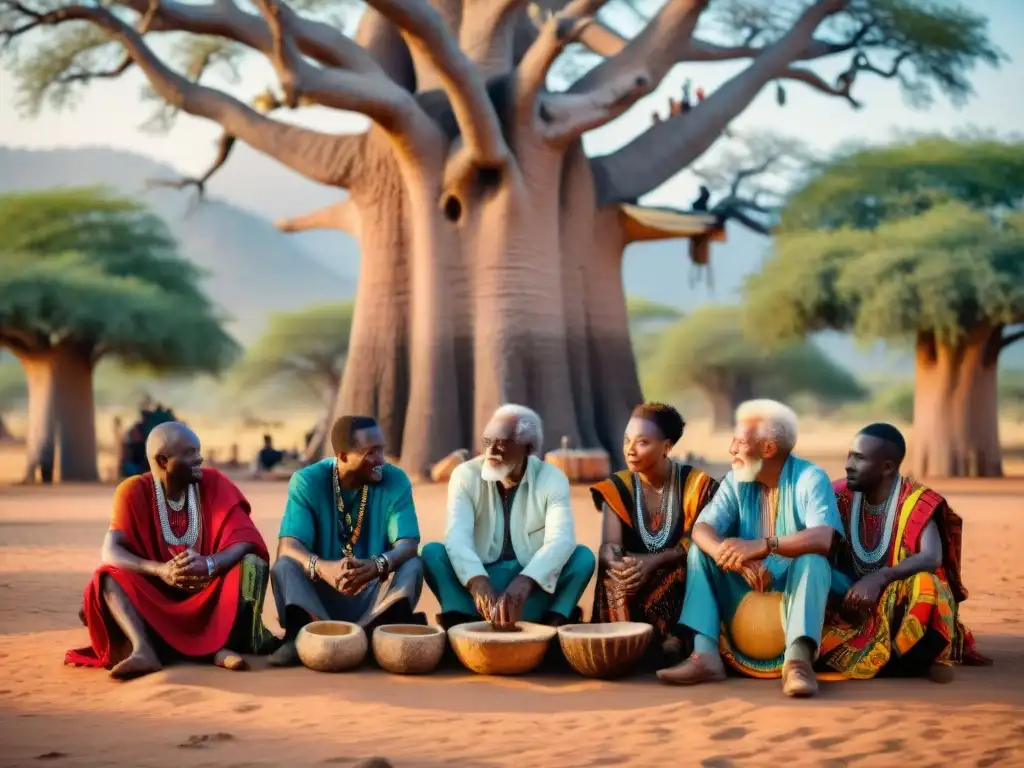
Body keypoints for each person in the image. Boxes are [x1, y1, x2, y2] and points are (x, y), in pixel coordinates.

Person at [658, 399, 842, 698]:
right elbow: (702, 530)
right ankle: (705, 656)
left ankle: (798, 662)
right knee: (700, 551)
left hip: (794, 592)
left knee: (813, 560)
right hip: (746, 590)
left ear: (768, 450)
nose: (731, 449)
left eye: (739, 442)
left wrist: (762, 546)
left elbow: (824, 538)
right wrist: (728, 555)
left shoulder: (810, 478)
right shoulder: (736, 480)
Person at [65, 422, 276, 680]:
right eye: (189, 453)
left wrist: (210, 564)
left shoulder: (214, 483)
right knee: (106, 577)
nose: (199, 458)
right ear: (163, 461)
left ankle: (223, 644)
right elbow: (110, 549)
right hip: (157, 593)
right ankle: (143, 650)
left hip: (209, 590)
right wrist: (160, 570)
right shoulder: (133, 491)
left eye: (198, 450)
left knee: (251, 562)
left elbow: (246, 539)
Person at [818, 423, 991, 678]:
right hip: (848, 605)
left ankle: (901, 656)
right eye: (849, 455)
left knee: (927, 586)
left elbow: (931, 557)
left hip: (894, 601)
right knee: (811, 569)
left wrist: (880, 577)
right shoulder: (838, 495)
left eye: (859, 458)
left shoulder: (915, 501)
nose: (848, 464)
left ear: (887, 467)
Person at [422, 404, 595, 630]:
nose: (492, 451)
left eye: (502, 443)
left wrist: (526, 582)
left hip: (532, 589)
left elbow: (560, 540)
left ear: (527, 448)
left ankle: (550, 624)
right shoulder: (465, 475)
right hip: (478, 587)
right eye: (488, 442)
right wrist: (477, 581)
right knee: (432, 553)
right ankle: (461, 621)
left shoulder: (552, 478)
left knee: (583, 558)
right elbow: (457, 537)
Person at [268, 416, 424, 666]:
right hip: (318, 597)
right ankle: (300, 636)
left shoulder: (395, 479)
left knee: (412, 564)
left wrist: (377, 565)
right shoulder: (308, 481)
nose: (381, 460)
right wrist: (322, 567)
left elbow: (407, 543)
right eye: (371, 452)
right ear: (342, 456)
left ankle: (380, 634)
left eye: (382, 450)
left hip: (373, 596)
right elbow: (288, 545)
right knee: (284, 566)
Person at [590, 403, 718, 665]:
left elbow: (700, 540)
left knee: (689, 566)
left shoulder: (697, 485)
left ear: (667, 447)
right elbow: (610, 544)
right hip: (633, 577)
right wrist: (618, 562)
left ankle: (675, 639)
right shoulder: (617, 487)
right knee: (612, 571)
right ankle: (624, 640)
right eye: (627, 440)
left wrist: (654, 561)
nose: (630, 450)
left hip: (676, 577)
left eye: (643, 442)